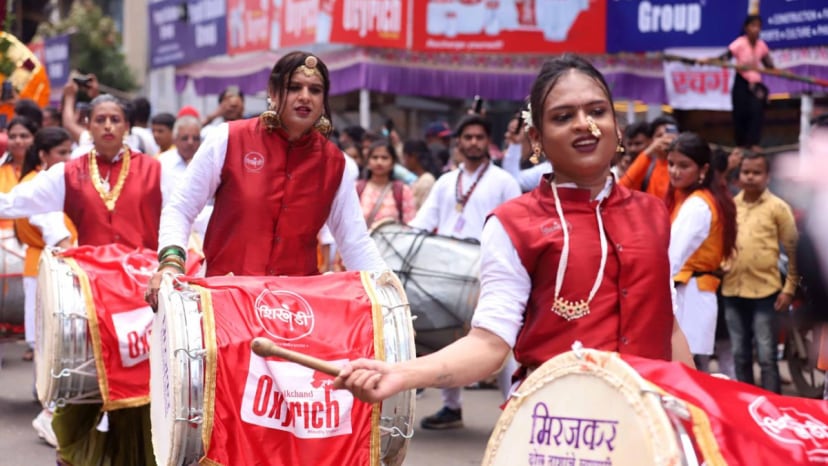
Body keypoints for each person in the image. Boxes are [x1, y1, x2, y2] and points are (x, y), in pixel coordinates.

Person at [335, 54, 694, 407]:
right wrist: (404, 374)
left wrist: (703, 408)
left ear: (617, 126)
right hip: (558, 426)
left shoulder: (653, 212)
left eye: (597, 111)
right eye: (563, 116)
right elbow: (490, 344)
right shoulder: (514, 224)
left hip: (653, 424)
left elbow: (671, 327)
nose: (584, 124)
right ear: (537, 138)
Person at [0, 94, 164, 465]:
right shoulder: (67, 173)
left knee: (144, 388)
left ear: (127, 126)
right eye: (100, 119)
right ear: (87, 126)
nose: (108, 126)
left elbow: (191, 211)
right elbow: (12, 203)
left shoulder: (156, 171)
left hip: (142, 304)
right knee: (83, 387)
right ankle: (75, 454)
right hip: (92, 298)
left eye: (115, 119)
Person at [148, 51, 384, 297]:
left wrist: (389, 295)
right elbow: (181, 208)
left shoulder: (335, 163)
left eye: (315, 90)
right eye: (294, 87)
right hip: (226, 297)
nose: (305, 97)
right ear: (272, 91)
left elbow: (355, 241)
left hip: (296, 308)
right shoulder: (228, 139)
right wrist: (171, 263)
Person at [408, 113, 521, 430]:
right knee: (447, 340)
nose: (473, 143)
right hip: (446, 273)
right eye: (468, 137)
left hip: (490, 273)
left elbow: (517, 229)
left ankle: (513, 408)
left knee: (500, 340)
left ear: (489, 143)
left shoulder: (504, 182)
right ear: (459, 142)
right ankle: (451, 407)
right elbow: (423, 223)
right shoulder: (445, 182)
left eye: (479, 137)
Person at [15, 127, 76, 447]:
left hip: (53, 266)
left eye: (70, 152)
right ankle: (52, 412)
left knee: (57, 343)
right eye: (61, 153)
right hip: (47, 267)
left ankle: (54, 410)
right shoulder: (39, 185)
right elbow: (55, 230)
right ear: (43, 155)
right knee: (54, 344)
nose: (68, 160)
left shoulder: (50, 181)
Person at [721, 152, 798, 394]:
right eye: (746, 172)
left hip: (767, 294)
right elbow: (722, 242)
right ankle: (746, 407)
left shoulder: (779, 208)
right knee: (740, 354)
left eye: (757, 172)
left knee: (767, 356)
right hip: (733, 290)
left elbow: (795, 251)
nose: (751, 177)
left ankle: (773, 409)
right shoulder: (731, 207)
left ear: (767, 176)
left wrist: (789, 290)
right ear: (739, 175)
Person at [665, 132, 737, 372]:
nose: (675, 171)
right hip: (695, 292)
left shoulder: (697, 204)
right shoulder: (701, 198)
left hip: (689, 295)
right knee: (694, 368)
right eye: (671, 164)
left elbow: (671, 259)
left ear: (703, 169)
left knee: (688, 370)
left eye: (683, 165)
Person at [709, 15, 774, 151]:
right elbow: (726, 57)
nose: (755, 29)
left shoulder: (761, 45)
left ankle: (754, 144)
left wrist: (776, 69)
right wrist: (711, 60)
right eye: (753, 26)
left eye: (758, 26)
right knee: (740, 113)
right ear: (746, 28)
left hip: (755, 83)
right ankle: (741, 145)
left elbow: (769, 64)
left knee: (757, 112)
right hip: (741, 81)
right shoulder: (740, 43)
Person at [158, 114, 212, 239]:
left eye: (196, 138)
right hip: (171, 233)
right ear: (175, 139)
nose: (190, 142)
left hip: (204, 235)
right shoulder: (161, 163)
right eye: (185, 138)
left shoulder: (210, 163)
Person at [357, 139, 416, 226]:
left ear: (393, 163)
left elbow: (410, 225)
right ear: (368, 162)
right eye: (375, 157)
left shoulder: (403, 191)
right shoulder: (356, 188)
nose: (379, 162)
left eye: (385, 158)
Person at [619, 115, 679, 201]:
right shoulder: (646, 164)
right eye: (659, 136)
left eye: (669, 135)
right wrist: (649, 151)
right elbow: (622, 188)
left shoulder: (681, 166)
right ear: (651, 140)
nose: (665, 139)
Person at [0, 116, 38, 231]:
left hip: (35, 237)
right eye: (12, 137)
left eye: (24, 136)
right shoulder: (2, 171)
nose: (18, 141)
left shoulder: (44, 172)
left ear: (34, 138)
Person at [401, 139, 441, 209]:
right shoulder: (419, 179)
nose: (404, 161)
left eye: (405, 157)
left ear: (413, 157)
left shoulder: (426, 181)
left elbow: (425, 210)